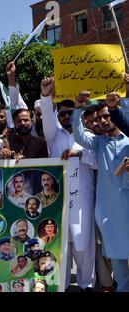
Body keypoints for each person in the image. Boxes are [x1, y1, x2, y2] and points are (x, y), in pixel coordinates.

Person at [41, 78, 98, 291]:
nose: (66, 117)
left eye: (69, 113)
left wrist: (78, 154)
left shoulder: (89, 137)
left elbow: (95, 162)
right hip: (58, 200)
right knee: (60, 245)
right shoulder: (53, 137)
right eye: (62, 113)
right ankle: (61, 285)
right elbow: (46, 117)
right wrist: (46, 96)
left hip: (82, 197)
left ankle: (86, 284)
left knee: (83, 245)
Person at [72, 97, 129, 292]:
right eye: (100, 118)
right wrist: (78, 108)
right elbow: (79, 136)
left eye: (107, 116)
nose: (103, 121)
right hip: (110, 216)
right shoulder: (100, 143)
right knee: (120, 272)